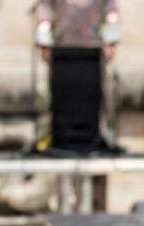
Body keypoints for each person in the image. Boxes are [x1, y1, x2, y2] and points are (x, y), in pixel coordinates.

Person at [34, 0, 123, 154]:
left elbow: (111, 13)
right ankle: (46, 137)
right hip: (62, 54)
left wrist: (111, 40)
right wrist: (44, 42)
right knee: (46, 94)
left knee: (106, 91)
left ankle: (105, 136)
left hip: (93, 54)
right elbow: (45, 13)